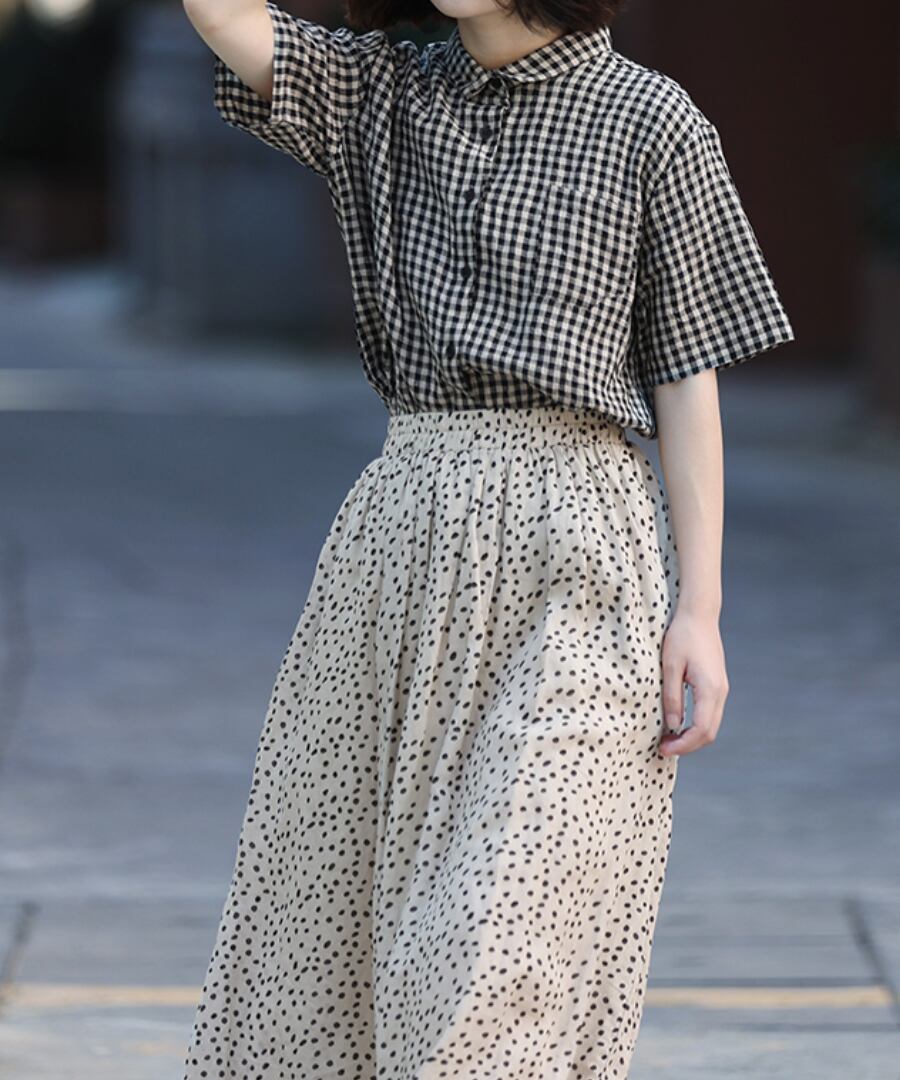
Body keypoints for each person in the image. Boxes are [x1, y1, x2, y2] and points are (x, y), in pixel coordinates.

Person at [180, 0, 795, 1076]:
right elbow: (222, 14)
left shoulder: (652, 120)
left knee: (504, 929)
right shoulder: (379, 92)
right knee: (327, 928)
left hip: (581, 551)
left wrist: (700, 608)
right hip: (400, 549)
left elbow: (685, 378)